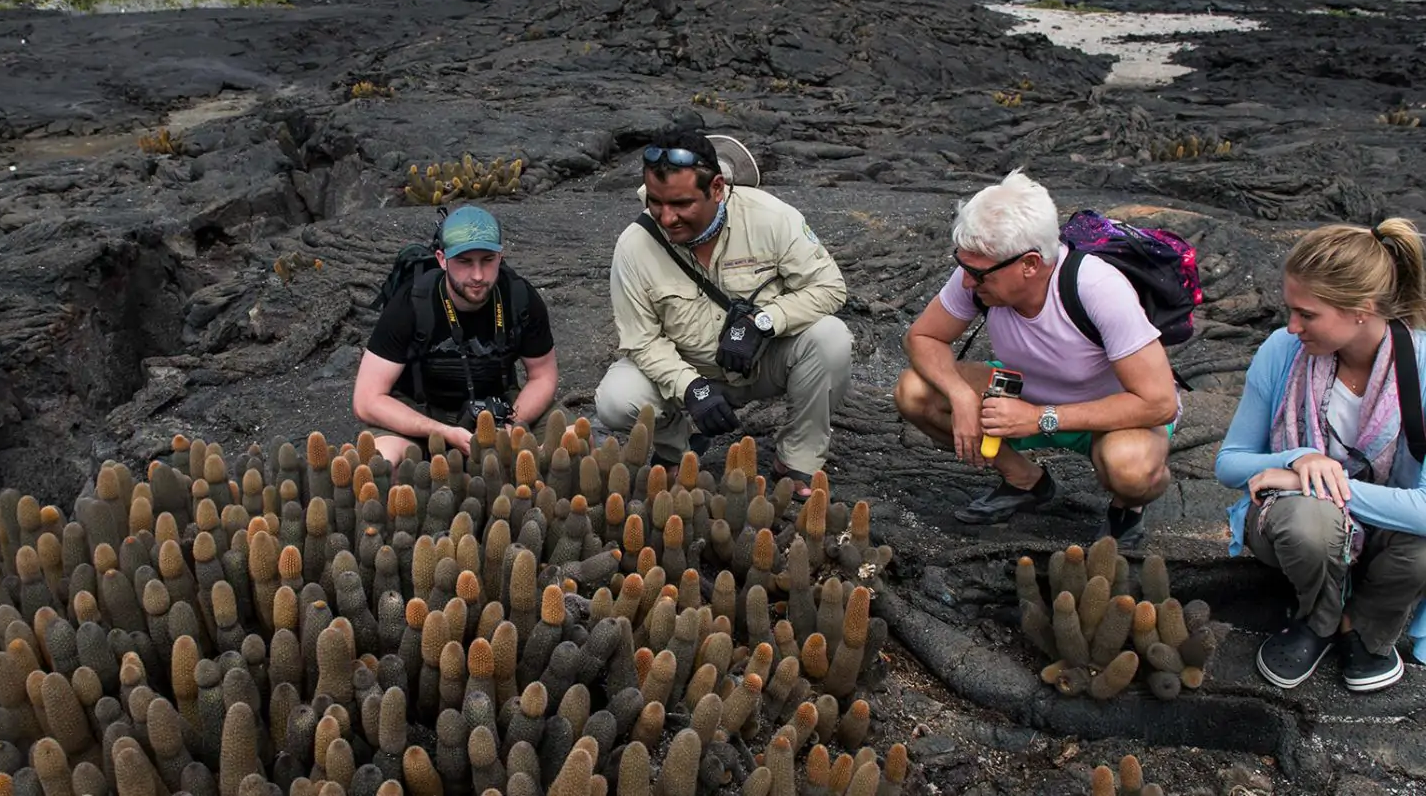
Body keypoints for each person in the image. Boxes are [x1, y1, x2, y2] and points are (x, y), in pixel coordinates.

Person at [892, 170, 1179, 545]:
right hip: (1026, 392)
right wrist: (960, 395)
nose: (966, 283)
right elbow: (922, 337)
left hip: (1110, 412)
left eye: (978, 275)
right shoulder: (982, 272)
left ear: (1029, 264)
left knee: (1132, 470)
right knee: (915, 391)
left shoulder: (1098, 289)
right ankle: (1025, 480)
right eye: (963, 267)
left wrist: (1039, 419)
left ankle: (1127, 507)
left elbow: (1159, 403)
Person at [1214, 219, 1426, 693]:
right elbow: (1229, 463)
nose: (1292, 326)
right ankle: (1319, 618)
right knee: (1308, 522)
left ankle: (1365, 627)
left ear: (1361, 310)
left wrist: (1310, 483)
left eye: (1306, 314)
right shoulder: (1283, 352)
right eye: (1291, 310)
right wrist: (1300, 458)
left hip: (1386, 531)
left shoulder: (1423, 367)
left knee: (1420, 550)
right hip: (1296, 527)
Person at [595, 129, 853, 495]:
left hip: (763, 361)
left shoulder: (772, 218)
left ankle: (797, 459)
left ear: (716, 188)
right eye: (656, 202)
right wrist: (691, 388)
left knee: (831, 339)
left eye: (682, 204)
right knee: (616, 398)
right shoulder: (634, 246)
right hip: (689, 368)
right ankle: (676, 450)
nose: (667, 218)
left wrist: (764, 322)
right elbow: (642, 341)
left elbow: (829, 287)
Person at [352, 205, 558, 464]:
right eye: (464, 261)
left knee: (574, 444)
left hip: (500, 408)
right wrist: (442, 432)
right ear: (441, 259)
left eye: (487, 260)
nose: (478, 275)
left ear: (500, 256)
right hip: (421, 412)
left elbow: (543, 375)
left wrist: (511, 424)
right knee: (381, 464)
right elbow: (366, 399)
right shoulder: (411, 303)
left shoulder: (519, 297)